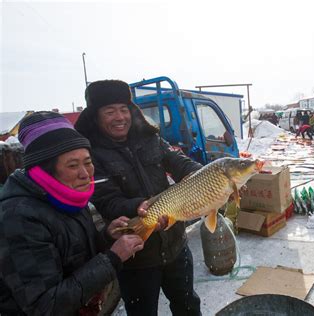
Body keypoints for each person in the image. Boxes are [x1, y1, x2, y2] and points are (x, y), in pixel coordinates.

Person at [75, 80, 202, 315]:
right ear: (95, 116)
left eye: (123, 109)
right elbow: (107, 201)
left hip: (175, 245)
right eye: (110, 111)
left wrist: (202, 174)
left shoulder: (150, 138)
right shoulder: (91, 155)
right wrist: (140, 206)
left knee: (188, 306)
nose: (119, 117)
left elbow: (179, 162)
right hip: (136, 256)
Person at [0, 111, 145, 315]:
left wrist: (106, 237)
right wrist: (112, 258)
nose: (85, 174)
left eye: (87, 162)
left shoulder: (69, 197)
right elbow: (45, 306)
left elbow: (74, 256)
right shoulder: (18, 217)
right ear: (45, 170)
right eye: (72, 165)